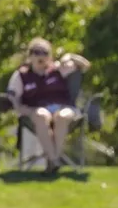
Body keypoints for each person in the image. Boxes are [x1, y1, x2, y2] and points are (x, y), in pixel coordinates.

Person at [6, 37, 91, 173]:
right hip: (36, 111)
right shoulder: (21, 75)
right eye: (36, 52)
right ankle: (55, 159)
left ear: (50, 56)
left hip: (63, 107)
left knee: (62, 117)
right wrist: (21, 109)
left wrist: (69, 56)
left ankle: (52, 161)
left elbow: (85, 65)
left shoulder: (58, 69)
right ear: (30, 56)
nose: (41, 56)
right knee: (41, 115)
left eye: (45, 52)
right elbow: (12, 96)